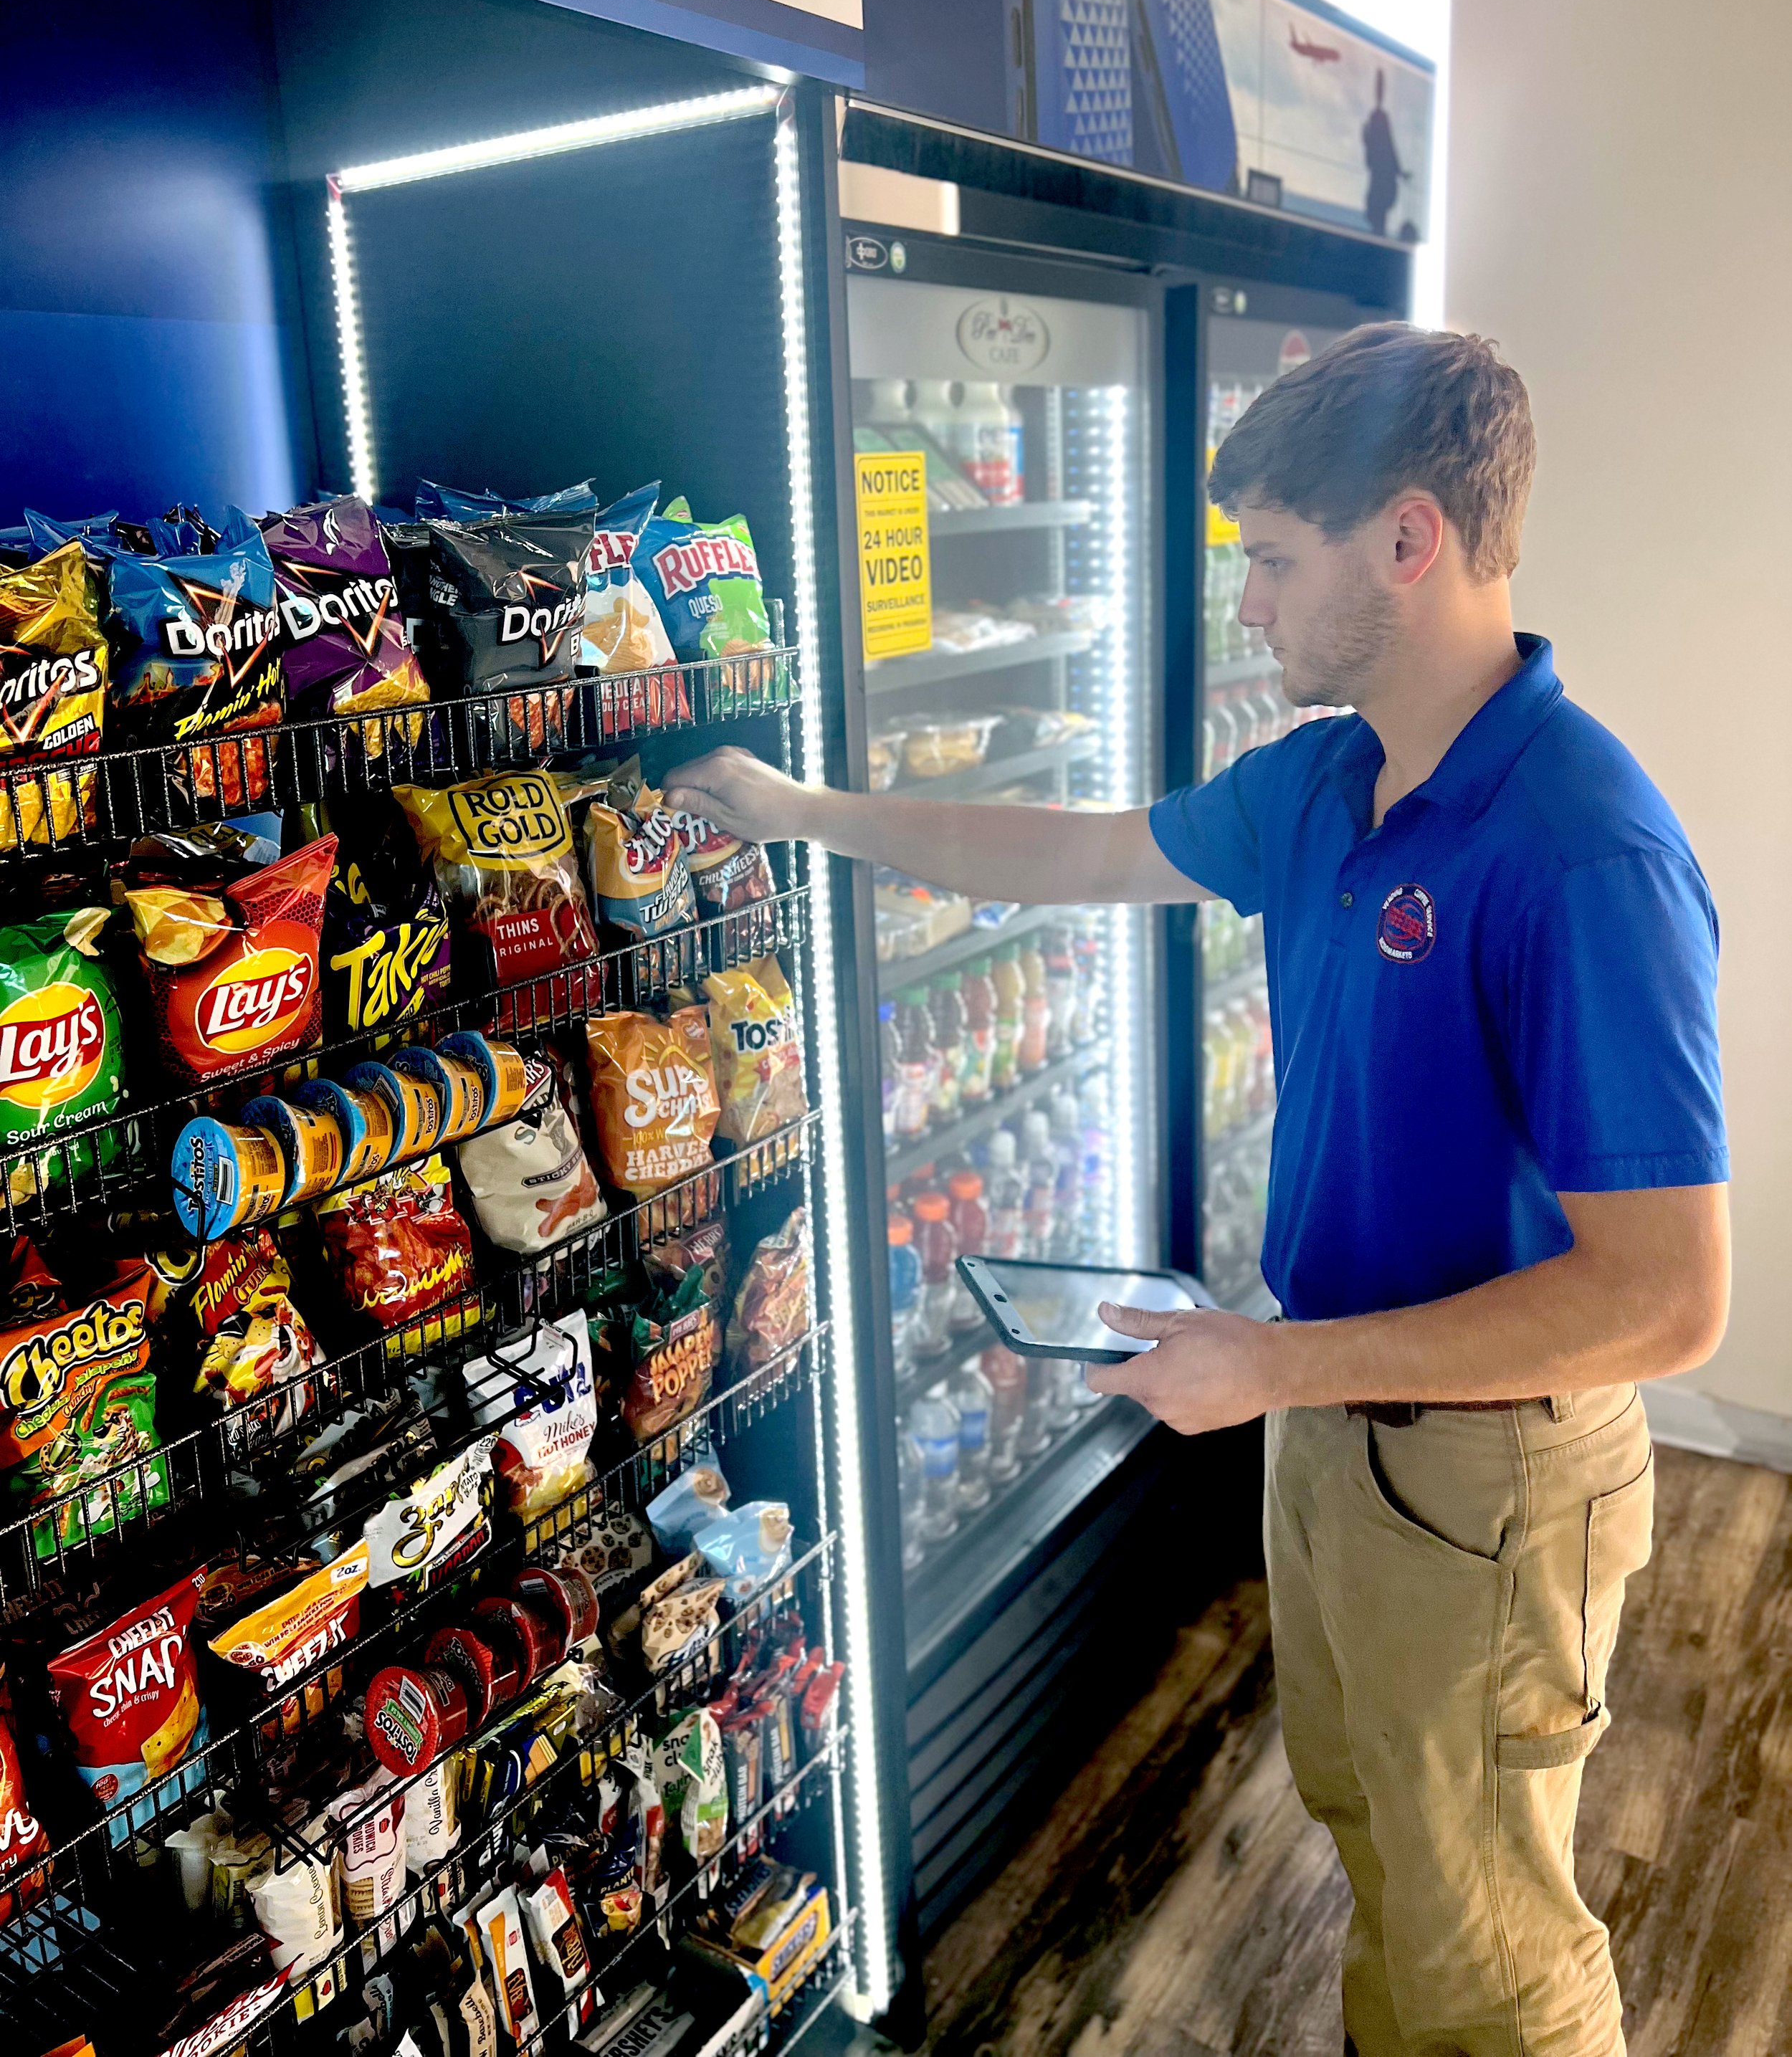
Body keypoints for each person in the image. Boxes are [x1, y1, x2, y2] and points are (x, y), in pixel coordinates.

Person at [662, 322, 1729, 2057]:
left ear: (1409, 539)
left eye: (1273, 564)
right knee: (1390, 1849)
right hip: (1336, 1429)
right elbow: (1081, 852)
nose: (1247, 610)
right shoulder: (1324, 778)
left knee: (1496, 1962)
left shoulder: (1583, 844)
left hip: (1488, 1472)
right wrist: (801, 810)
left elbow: (1674, 1299)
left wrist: (1273, 1366)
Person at [1363, 67, 1404, 237]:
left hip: (1383, 181)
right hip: (1382, 181)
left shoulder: (1379, 121)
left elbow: (1388, 148)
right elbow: (1375, 154)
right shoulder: (1376, 121)